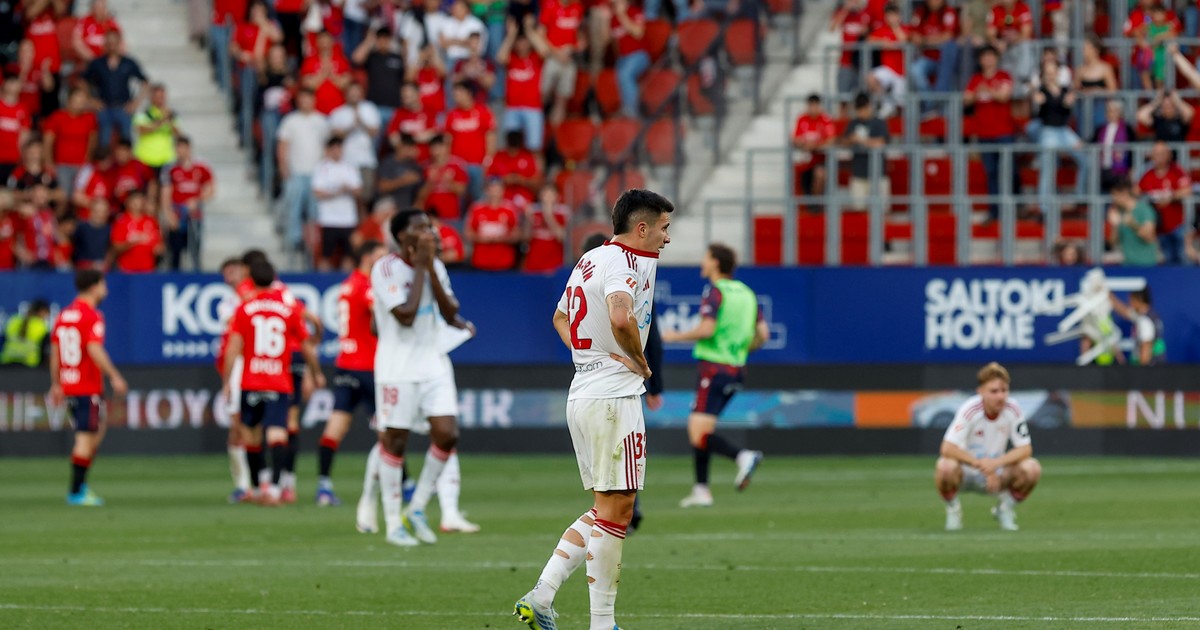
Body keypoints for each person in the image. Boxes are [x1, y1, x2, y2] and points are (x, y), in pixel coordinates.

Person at [514, 188, 673, 630]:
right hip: (612, 400)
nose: (667, 238)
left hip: (584, 392)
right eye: (664, 228)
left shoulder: (591, 259)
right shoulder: (622, 263)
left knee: (610, 508)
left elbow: (560, 318)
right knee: (618, 511)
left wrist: (590, 357)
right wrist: (640, 361)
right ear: (641, 227)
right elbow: (621, 317)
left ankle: (542, 596)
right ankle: (602, 623)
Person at [370, 209, 476, 546]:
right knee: (395, 441)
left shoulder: (436, 266)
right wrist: (420, 267)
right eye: (422, 228)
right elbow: (405, 314)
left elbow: (450, 311)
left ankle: (416, 507)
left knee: (447, 434)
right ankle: (393, 523)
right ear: (403, 236)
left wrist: (429, 268)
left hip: (433, 361)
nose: (431, 232)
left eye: (430, 226)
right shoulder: (385, 268)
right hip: (396, 366)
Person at [661, 243, 768, 508]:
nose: (703, 262)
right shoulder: (747, 293)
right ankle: (701, 490)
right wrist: (740, 348)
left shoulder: (715, 291)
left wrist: (675, 336)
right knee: (701, 427)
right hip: (736, 370)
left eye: (706, 258)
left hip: (714, 368)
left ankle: (742, 456)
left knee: (697, 432)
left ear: (716, 263)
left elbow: (707, 329)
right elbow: (763, 335)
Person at [222, 259, 325, 506]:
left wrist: (227, 381)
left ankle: (260, 487)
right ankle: (278, 489)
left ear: (251, 279)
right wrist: (316, 372)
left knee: (251, 436)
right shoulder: (287, 308)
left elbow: (233, 347)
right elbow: (306, 345)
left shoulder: (244, 308)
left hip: (251, 380)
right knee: (278, 433)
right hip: (278, 380)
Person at [49, 269, 128, 506]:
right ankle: (77, 491)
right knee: (86, 437)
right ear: (94, 287)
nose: (106, 290)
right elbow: (94, 348)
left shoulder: (63, 315)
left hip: (70, 383)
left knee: (96, 431)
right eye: (103, 285)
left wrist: (56, 384)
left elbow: (55, 353)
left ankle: (80, 485)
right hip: (86, 386)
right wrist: (114, 375)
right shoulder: (92, 315)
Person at [317, 240, 387, 506]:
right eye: (381, 256)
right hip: (368, 366)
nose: (385, 261)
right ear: (367, 258)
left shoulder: (347, 284)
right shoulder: (367, 285)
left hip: (345, 363)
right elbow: (379, 313)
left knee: (336, 425)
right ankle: (405, 485)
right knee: (388, 428)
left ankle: (324, 486)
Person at [935, 362, 1041, 531]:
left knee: (1032, 468)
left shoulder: (1012, 408)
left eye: (1004, 390)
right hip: (966, 473)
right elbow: (947, 448)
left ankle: (1004, 509)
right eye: (994, 391)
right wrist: (981, 465)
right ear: (980, 391)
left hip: (997, 475)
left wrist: (995, 464)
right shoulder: (970, 409)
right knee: (945, 467)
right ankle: (953, 509)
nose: (1000, 396)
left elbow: (1025, 449)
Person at [277, 89, 331, 250]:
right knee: (293, 207)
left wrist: (326, 172)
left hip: (316, 174)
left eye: (308, 98)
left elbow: (328, 147)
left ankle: (313, 243)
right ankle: (294, 241)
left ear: (314, 100)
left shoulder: (322, 121)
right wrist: (283, 166)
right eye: (302, 99)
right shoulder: (290, 120)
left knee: (315, 211)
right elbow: (283, 145)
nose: (305, 102)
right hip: (295, 172)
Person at [82, 30, 148, 144]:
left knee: (126, 141)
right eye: (109, 43)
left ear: (119, 44)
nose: (112, 46)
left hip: (123, 107)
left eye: (114, 43)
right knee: (103, 141)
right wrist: (90, 100)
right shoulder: (97, 63)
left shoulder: (128, 62)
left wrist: (136, 102)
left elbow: (145, 82)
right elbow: (82, 81)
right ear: (105, 44)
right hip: (104, 107)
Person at [160, 136, 215, 271]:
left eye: (182, 147)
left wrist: (197, 200)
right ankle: (175, 275)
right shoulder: (170, 168)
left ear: (188, 148)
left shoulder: (200, 167)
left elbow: (210, 189)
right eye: (177, 148)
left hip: (194, 214)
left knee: (195, 247)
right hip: (177, 212)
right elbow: (165, 193)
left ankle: (196, 272)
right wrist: (169, 214)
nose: (179, 151)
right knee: (175, 250)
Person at [311, 137, 363, 271]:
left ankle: (346, 279)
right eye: (334, 149)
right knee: (326, 254)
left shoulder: (350, 167)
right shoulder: (321, 168)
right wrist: (336, 192)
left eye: (339, 149)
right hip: (329, 219)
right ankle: (323, 279)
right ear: (328, 150)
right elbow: (317, 192)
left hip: (348, 219)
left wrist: (348, 190)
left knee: (349, 255)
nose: (337, 152)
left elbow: (358, 190)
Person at [1136, 141, 1192, 264]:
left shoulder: (1176, 171)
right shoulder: (1148, 174)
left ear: (1169, 155)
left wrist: (1171, 197)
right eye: (1156, 154)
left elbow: (1187, 190)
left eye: (1162, 153)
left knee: (1183, 261)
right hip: (1159, 227)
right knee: (1167, 263)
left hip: (1177, 226)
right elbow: (1136, 191)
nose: (1159, 157)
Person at [839, 92, 889, 211]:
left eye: (864, 108)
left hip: (878, 174)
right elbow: (843, 141)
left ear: (869, 106)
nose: (862, 112)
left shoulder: (879, 123)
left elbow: (881, 142)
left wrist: (862, 140)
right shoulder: (854, 123)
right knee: (859, 210)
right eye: (859, 109)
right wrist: (851, 139)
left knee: (881, 210)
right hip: (859, 173)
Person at [1108, 176, 1159, 267]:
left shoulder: (1144, 210)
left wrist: (1132, 224)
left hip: (1147, 264)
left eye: (1114, 195)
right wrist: (1115, 225)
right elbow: (1113, 243)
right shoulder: (1119, 212)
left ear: (1124, 193)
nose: (1113, 198)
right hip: (1128, 264)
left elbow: (1149, 237)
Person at [791, 94, 836, 199]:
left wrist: (816, 146)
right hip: (805, 158)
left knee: (820, 174)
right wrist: (803, 143)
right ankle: (809, 201)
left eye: (816, 105)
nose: (813, 109)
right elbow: (795, 138)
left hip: (822, 159)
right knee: (802, 177)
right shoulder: (802, 119)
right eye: (811, 106)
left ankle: (816, 202)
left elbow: (832, 139)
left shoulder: (825, 119)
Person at [1113, 287, 1166, 365]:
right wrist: (1108, 295)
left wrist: (1140, 371)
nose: (1129, 303)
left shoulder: (1145, 321)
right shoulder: (1149, 315)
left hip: (1148, 368)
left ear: (1138, 299)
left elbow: (1145, 352)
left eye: (1131, 300)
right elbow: (1125, 312)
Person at [1, 298, 50, 367]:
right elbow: (45, 352)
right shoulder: (41, 326)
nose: (47, 317)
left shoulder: (13, 320)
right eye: (46, 313)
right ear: (41, 311)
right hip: (29, 365)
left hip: (6, 363)